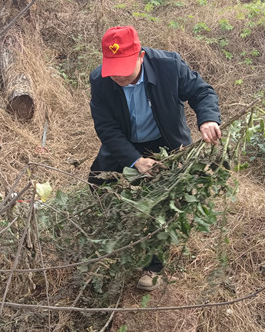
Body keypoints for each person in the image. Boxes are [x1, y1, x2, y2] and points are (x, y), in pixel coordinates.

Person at [89, 25, 222, 291]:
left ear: (140, 56)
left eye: (124, 70)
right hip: (125, 145)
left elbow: (202, 92)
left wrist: (207, 118)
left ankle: (152, 266)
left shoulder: (168, 66)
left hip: (166, 143)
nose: (118, 77)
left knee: (159, 206)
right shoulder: (100, 80)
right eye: (113, 71)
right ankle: (108, 247)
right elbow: (106, 128)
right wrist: (134, 160)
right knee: (97, 185)